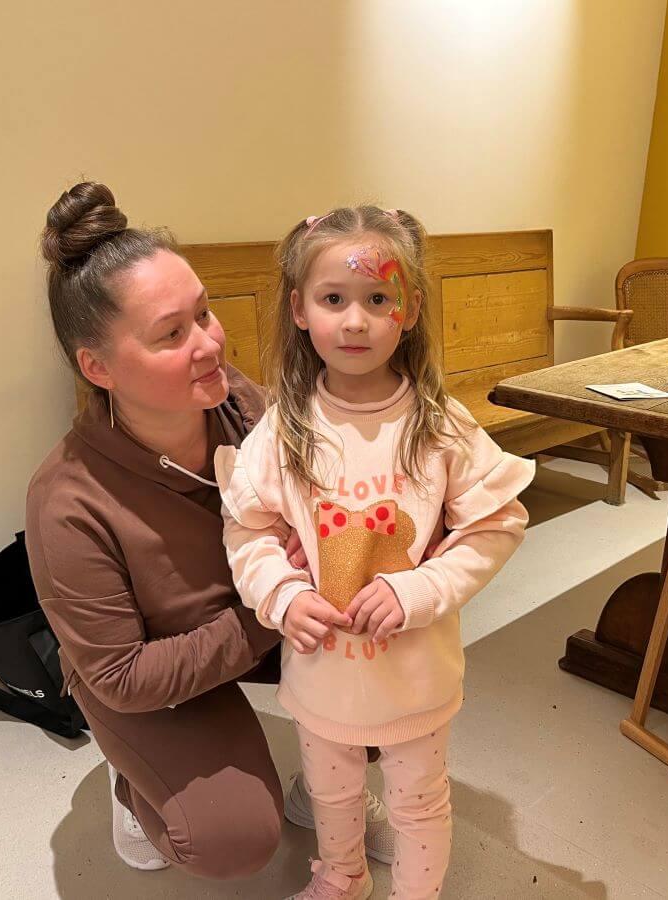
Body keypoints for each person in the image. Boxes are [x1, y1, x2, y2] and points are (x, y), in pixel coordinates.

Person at [24, 183, 394, 880]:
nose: (209, 343)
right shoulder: (65, 503)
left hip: (244, 619)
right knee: (231, 838)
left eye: (204, 313)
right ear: (97, 368)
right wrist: (274, 611)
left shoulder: (240, 405)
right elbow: (122, 674)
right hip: (150, 673)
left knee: (387, 634)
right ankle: (136, 790)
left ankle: (326, 786)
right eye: (172, 333)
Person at [216, 205, 535, 899]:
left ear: (410, 309)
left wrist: (416, 591)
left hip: (415, 674)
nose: (354, 321)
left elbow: (499, 523)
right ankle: (341, 877)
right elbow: (249, 530)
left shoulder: (440, 425)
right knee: (334, 798)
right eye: (334, 300)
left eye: (377, 298)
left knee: (419, 803)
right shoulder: (284, 430)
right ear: (300, 310)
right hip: (321, 674)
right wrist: (282, 593)